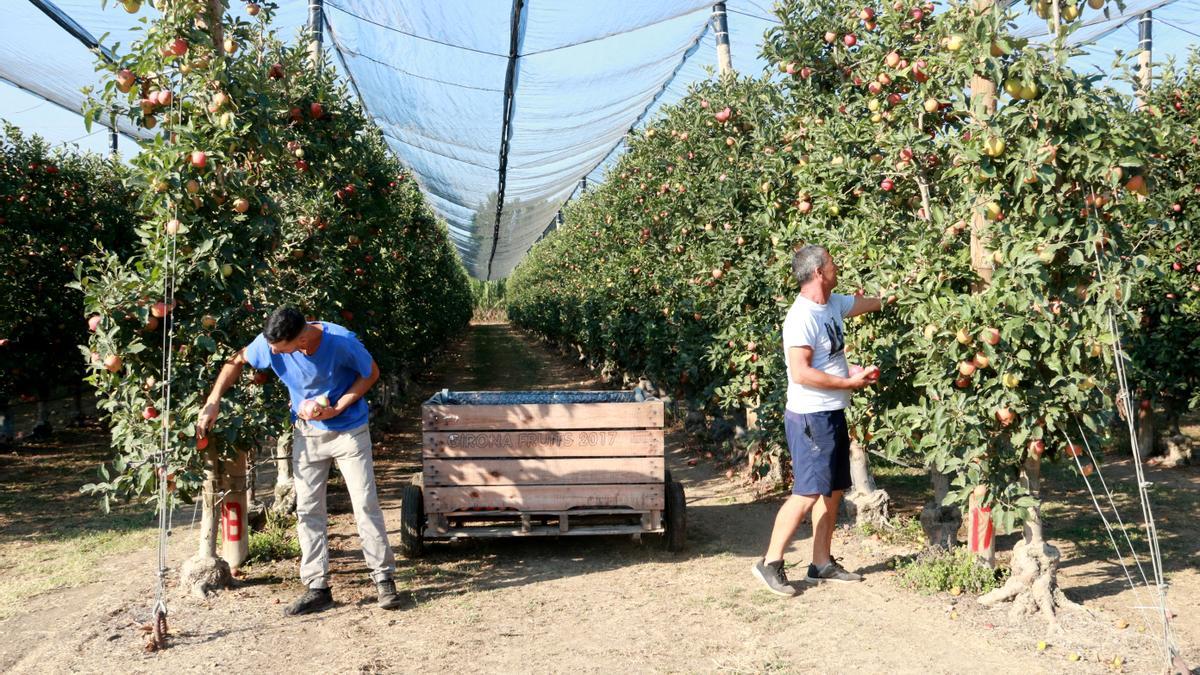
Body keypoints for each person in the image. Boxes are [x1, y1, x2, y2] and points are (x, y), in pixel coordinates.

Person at [197, 306, 403, 614]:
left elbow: (371, 373)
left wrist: (339, 406)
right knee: (308, 509)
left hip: (349, 432)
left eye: (279, 349)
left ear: (300, 339)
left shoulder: (341, 342)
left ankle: (383, 579)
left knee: (364, 504)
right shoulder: (272, 345)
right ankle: (317, 587)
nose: (271, 353)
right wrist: (213, 401)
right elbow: (236, 361)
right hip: (307, 433)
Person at [751, 245, 886, 596]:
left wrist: (898, 292)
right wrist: (848, 382)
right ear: (818, 272)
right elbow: (801, 373)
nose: (836, 265)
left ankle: (821, 563)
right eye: (831, 262)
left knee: (833, 490)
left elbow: (864, 304)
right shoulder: (802, 317)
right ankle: (770, 562)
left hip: (832, 411)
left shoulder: (832, 304)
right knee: (807, 492)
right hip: (811, 416)